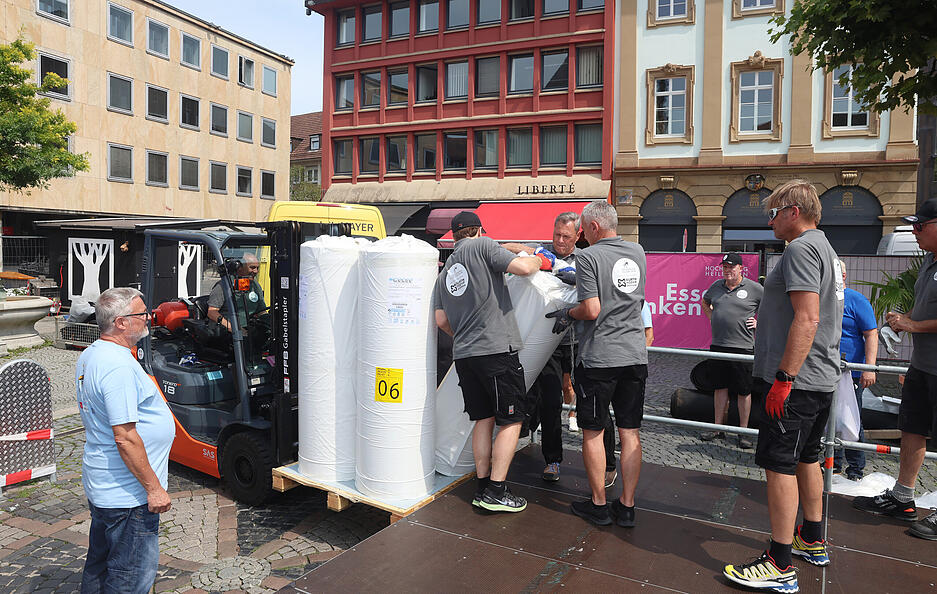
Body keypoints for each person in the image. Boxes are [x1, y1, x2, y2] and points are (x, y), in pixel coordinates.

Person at [723, 180, 843, 592]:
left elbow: (808, 318)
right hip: (819, 377)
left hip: (798, 381)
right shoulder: (825, 247)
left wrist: (784, 379)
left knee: (779, 466)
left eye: (772, 213)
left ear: (793, 211)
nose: (769, 220)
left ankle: (779, 562)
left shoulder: (801, 249)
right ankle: (811, 537)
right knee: (808, 458)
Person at [546, 200, 647, 528]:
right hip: (634, 354)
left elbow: (590, 309)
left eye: (582, 230)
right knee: (630, 432)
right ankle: (627, 506)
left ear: (592, 228)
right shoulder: (638, 252)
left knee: (592, 431)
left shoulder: (588, 256)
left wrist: (567, 313)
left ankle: (599, 504)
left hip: (600, 357)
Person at [433, 211, 541, 512]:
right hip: (495, 350)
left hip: (465, 356)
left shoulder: (446, 270)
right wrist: (539, 260)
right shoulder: (483, 246)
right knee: (512, 420)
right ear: (480, 230)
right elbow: (521, 267)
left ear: (454, 235)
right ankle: (496, 491)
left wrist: (465, 334)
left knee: (483, 418)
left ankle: (482, 486)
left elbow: (441, 320)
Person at [76, 288, 175, 593]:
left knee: (101, 564)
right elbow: (125, 437)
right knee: (129, 577)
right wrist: (154, 488)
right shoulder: (117, 366)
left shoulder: (93, 352)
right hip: (127, 496)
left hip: (106, 485)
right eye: (141, 313)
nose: (148, 318)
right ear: (120, 322)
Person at [854, 198, 937, 540]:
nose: (914, 232)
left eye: (920, 226)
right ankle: (903, 496)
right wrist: (904, 323)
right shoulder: (930, 261)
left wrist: (914, 326)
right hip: (923, 366)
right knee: (912, 429)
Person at [503, 212, 582, 482]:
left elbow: (590, 292)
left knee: (552, 401)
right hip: (530, 337)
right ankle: (512, 445)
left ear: (577, 236)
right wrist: (496, 250)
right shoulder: (543, 252)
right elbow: (514, 248)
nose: (559, 241)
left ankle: (553, 460)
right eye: (556, 234)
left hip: (565, 343)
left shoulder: (584, 260)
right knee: (523, 395)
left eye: (566, 237)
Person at [700, 252, 763, 449]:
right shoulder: (716, 286)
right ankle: (718, 427)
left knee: (744, 391)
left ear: (741, 268)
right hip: (719, 345)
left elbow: (771, 308)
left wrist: (759, 321)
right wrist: (713, 316)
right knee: (719, 388)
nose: (727, 270)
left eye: (731, 267)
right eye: (725, 267)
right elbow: (705, 301)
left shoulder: (754, 289)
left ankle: (743, 432)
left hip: (743, 348)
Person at [834, 259, 877, 480]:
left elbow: (871, 333)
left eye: (837, 273)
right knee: (830, 418)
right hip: (826, 369)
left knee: (851, 419)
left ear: (844, 276)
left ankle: (855, 467)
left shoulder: (856, 300)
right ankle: (833, 462)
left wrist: (869, 368)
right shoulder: (821, 298)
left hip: (851, 371)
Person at [207, 252, 265, 332]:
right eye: (252, 267)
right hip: (228, 333)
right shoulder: (225, 285)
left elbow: (262, 311)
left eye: (257, 268)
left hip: (250, 329)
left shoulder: (255, 285)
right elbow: (211, 312)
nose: (255, 271)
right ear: (239, 267)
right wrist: (234, 329)